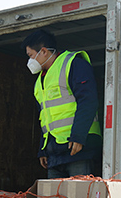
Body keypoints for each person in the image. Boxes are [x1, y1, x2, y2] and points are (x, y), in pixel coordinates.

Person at [23, 29, 102, 178]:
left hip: (78, 150)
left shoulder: (73, 65)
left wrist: (78, 137)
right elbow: (45, 118)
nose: (30, 61)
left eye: (31, 56)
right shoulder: (40, 81)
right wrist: (43, 149)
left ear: (44, 51)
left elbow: (88, 101)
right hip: (55, 154)